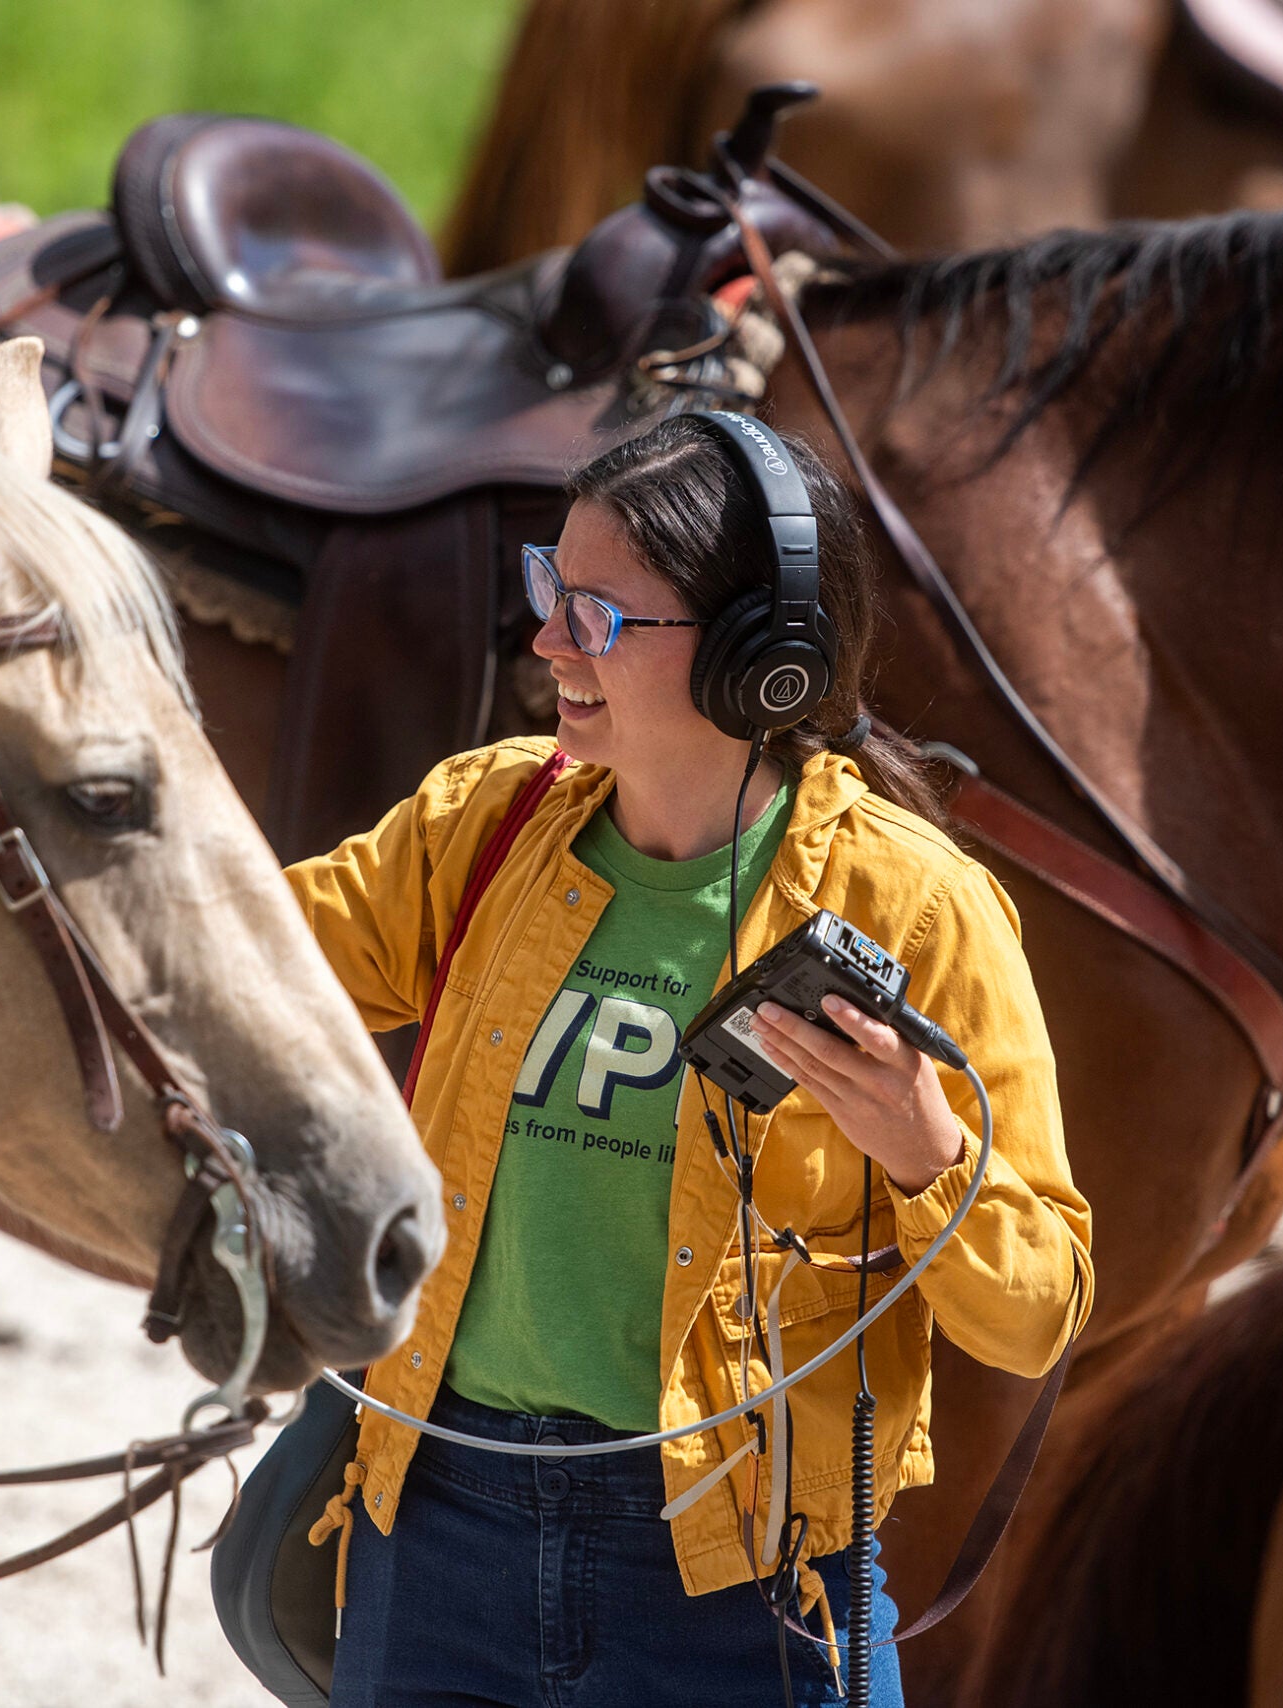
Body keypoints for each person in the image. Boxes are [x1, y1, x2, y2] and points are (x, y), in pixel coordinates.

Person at [284, 414, 1091, 1707]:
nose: (547, 641)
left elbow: (1036, 1312)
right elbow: (222, 960)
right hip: (432, 1531)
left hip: (736, 1570)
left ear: (759, 662)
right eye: (551, 588)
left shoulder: (916, 909)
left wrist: (931, 1155)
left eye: (598, 616)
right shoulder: (480, 823)